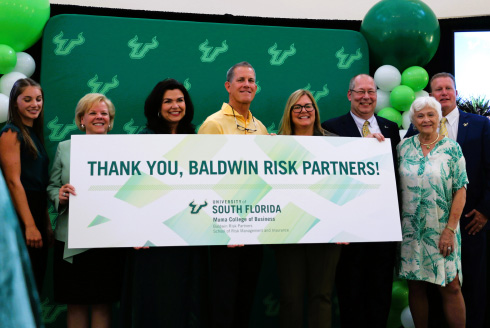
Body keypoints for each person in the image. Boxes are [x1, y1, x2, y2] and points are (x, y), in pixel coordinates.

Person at [405, 72, 490, 328]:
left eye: (448, 88)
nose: (443, 93)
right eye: (438, 90)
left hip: (471, 220)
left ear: (455, 92)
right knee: (429, 287)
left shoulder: (480, 124)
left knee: (468, 285)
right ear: (431, 96)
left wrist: (485, 211)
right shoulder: (414, 132)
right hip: (424, 227)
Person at [121, 78, 207, 328]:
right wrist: (135, 230)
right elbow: (130, 191)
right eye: (167, 101)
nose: (175, 106)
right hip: (150, 239)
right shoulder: (143, 138)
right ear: (157, 106)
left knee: (185, 303)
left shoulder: (197, 138)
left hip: (187, 237)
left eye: (179, 100)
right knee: (153, 303)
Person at [321, 74, 400, 328]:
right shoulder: (331, 127)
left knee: (380, 293)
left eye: (371, 92)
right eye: (360, 92)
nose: (366, 97)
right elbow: (325, 178)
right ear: (349, 95)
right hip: (348, 228)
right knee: (350, 293)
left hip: (383, 228)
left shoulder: (390, 128)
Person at [198, 61, 267, 328]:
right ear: (229, 86)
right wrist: (225, 226)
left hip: (254, 227)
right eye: (241, 80)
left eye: (251, 81)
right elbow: (202, 178)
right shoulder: (213, 124)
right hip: (222, 231)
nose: (247, 85)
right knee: (222, 303)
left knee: (245, 300)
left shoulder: (260, 126)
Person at [47, 93, 124, 328]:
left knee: (103, 303)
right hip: (72, 238)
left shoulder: (124, 149)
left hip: (108, 238)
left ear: (110, 120)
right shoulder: (65, 148)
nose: (99, 117)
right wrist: (58, 195)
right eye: (93, 113)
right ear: (81, 119)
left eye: (104, 113)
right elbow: (52, 186)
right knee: (75, 303)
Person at [398, 96, 468, 327]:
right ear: (413, 120)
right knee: (416, 286)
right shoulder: (402, 148)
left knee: (451, 286)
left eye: (431, 114)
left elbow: (461, 190)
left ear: (439, 118)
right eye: (420, 115)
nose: (426, 119)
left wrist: (450, 229)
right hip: (410, 232)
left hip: (443, 230)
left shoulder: (452, 149)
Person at [275, 89, 340, 328]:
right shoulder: (275, 145)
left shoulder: (334, 143)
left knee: (321, 296)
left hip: (326, 231)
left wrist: (346, 226)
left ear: (315, 111)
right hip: (287, 231)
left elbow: (347, 185)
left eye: (308, 106)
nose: (304, 111)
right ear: (289, 113)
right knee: (291, 298)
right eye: (298, 107)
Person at [0, 78, 53, 293]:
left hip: (37, 211)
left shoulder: (34, 135)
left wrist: (45, 223)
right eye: (27, 99)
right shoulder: (11, 132)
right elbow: (14, 182)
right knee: (21, 289)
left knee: (35, 285)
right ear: (15, 103)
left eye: (38, 99)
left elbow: (39, 183)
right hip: (20, 215)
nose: (35, 104)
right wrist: (30, 225)